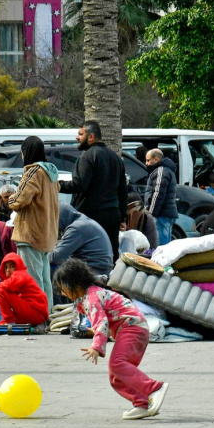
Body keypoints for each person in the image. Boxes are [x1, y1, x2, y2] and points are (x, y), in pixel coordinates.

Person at [53, 258, 169, 420]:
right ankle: (141, 402)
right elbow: (107, 320)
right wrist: (98, 333)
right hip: (136, 328)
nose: (62, 292)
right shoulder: (93, 293)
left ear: (74, 284)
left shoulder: (91, 299)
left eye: (63, 288)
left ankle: (154, 388)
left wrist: (96, 346)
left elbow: (102, 323)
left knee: (117, 364)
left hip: (131, 328)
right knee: (117, 375)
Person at [59, 121, 128, 262]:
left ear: (91, 137)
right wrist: (122, 217)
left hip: (90, 217)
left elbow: (79, 184)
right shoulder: (116, 158)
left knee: (85, 258)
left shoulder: (87, 157)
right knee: (111, 257)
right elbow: (122, 191)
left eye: (80, 134)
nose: (77, 137)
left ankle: (91, 284)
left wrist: (57, 185)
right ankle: (108, 283)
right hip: (112, 216)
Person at [8, 136, 60, 309]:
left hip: (30, 234)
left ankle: (38, 316)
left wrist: (9, 199)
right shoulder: (51, 174)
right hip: (47, 235)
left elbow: (19, 200)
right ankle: (48, 315)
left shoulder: (33, 172)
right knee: (44, 282)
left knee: (32, 280)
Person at [51, 203, 114, 276]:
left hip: (93, 272)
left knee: (49, 267)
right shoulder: (83, 222)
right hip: (100, 269)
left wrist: (41, 254)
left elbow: (55, 257)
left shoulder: (76, 228)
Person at [0, 253, 49, 329]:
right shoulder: (21, 277)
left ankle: (8, 321)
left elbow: (9, 284)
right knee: (1, 324)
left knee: (0, 292)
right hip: (36, 314)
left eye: (12, 266)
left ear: (18, 265)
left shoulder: (20, 274)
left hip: (33, 310)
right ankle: (8, 321)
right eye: (6, 267)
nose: (8, 270)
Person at [144, 149, 178, 246]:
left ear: (156, 159)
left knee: (160, 247)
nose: (146, 163)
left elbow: (158, 194)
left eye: (148, 160)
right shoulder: (167, 170)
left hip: (161, 214)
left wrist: (151, 214)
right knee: (165, 246)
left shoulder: (161, 171)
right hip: (165, 213)